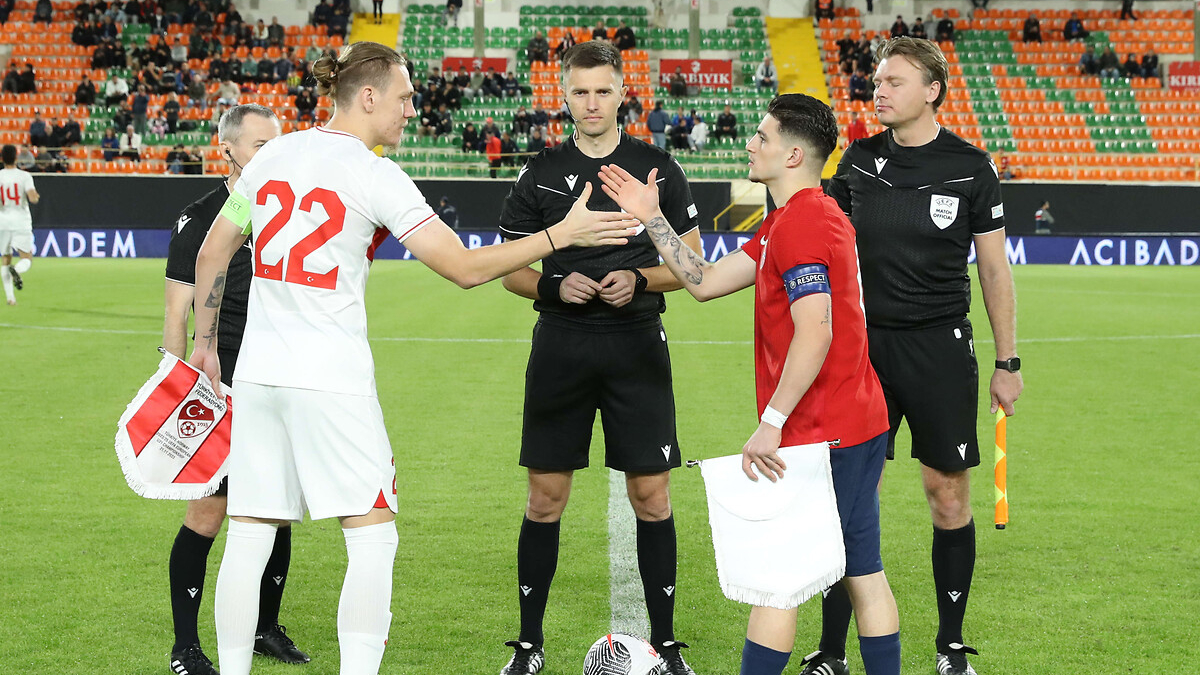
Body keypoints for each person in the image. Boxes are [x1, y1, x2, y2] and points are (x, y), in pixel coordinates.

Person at [185, 40, 634, 675]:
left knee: (251, 531)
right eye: (403, 97)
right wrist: (563, 233)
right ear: (367, 97)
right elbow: (466, 267)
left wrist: (205, 347)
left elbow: (212, 253)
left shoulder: (274, 154)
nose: (410, 110)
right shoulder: (373, 174)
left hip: (257, 375)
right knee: (371, 535)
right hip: (330, 380)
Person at [597, 91, 902, 675]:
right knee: (863, 570)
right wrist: (652, 218)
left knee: (778, 583)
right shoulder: (791, 220)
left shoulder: (805, 222)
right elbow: (705, 282)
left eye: (761, 137)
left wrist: (772, 423)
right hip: (854, 421)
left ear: (792, 155)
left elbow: (815, 331)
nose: (749, 143)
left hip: (822, 432)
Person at [812, 37, 1023, 675]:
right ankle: (830, 650)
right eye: (877, 81)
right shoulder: (857, 159)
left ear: (931, 91)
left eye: (894, 82)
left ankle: (950, 644)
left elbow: (993, 270)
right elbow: (825, 247)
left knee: (947, 494)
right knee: (848, 495)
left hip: (939, 347)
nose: (879, 91)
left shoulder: (970, 167)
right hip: (861, 352)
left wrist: (1007, 363)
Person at [495, 40, 701, 675]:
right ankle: (529, 647)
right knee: (545, 498)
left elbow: (691, 266)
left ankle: (665, 647)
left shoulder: (655, 165)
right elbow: (510, 271)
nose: (591, 103)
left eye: (602, 91)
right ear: (564, 96)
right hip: (561, 344)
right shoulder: (540, 172)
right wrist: (554, 285)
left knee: (652, 495)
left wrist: (640, 280)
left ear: (622, 93)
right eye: (579, 91)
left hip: (637, 344)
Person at [161, 105, 309, 675]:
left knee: (278, 508)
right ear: (227, 150)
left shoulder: (288, 211)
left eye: (276, 144)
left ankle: (264, 628)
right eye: (258, 146)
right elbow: (177, 311)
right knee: (208, 514)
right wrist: (178, 387)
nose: (270, 155)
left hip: (281, 378)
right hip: (218, 387)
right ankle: (185, 647)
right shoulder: (198, 219)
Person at [0, 144, 39, 306]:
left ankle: (10, 298)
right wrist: (35, 196)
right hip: (21, 222)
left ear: (2, 159)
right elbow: (32, 197)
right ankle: (18, 270)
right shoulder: (25, 176)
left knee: (6, 258)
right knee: (26, 258)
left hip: (3, 222)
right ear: (16, 158)